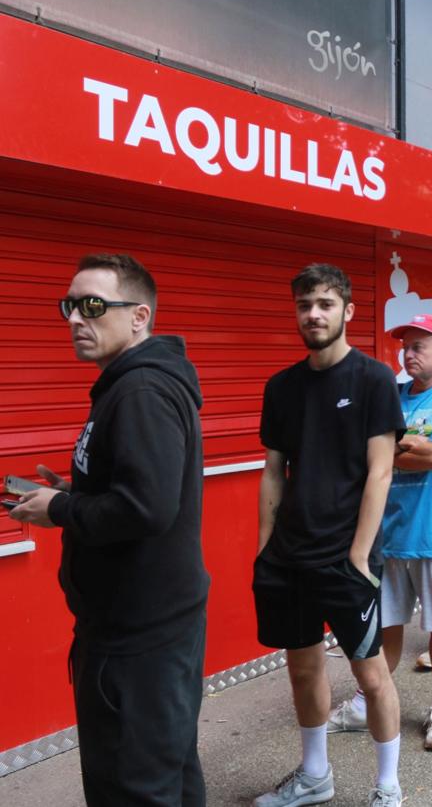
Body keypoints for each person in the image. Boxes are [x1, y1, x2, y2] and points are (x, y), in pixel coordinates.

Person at [13, 254, 209, 806]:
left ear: (139, 316)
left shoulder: (141, 391)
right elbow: (138, 492)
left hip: (136, 642)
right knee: (169, 774)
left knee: (134, 789)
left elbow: (147, 508)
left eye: (93, 306)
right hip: (149, 631)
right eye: (69, 306)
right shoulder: (130, 385)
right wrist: (76, 494)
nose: (76, 318)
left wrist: (59, 511)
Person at [252, 264, 404, 806]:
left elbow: (380, 471)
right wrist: (265, 548)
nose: (313, 314)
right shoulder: (281, 387)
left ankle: (388, 787)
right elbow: (274, 470)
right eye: (303, 305)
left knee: (372, 677)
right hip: (289, 558)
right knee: (303, 668)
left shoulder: (373, 379)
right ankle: (315, 776)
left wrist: (359, 555)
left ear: (348, 311)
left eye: (323, 303)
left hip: (347, 559)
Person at [327, 314, 432, 752]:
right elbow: (362, 454)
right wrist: (403, 448)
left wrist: (388, 453)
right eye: (405, 346)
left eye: (419, 346)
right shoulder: (391, 396)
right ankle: (364, 701)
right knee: (385, 624)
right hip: (387, 534)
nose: (408, 353)